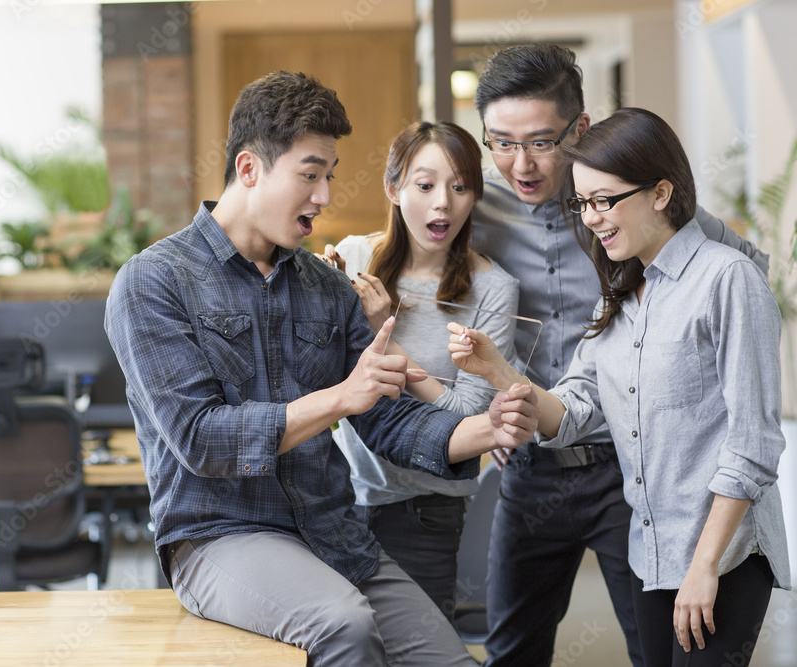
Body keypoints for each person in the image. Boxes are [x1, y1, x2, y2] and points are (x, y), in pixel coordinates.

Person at [104, 70, 539, 666]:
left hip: (333, 535)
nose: (325, 196)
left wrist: (490, 427)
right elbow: (201, 440)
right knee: (344, 626)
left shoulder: (325, 288)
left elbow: (391, 420)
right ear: (250, 168)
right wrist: (339, 398)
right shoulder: (153, 282)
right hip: (219, 538)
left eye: (329, 176)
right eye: (310, 174)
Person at [449, 106, 790, 667]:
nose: (591, 218)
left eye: (605, 201)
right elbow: (575, 410)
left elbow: (753, 444)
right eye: (583, 204)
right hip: (650, 554)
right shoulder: (620, 294)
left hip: (722, 557)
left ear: (661, 193)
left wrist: (704, 567)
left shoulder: (728, 280)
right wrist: (497, 372)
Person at [319, 120, 520, 620]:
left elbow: (467, 417)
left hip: (427, 509)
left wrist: (382, 335)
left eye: (459, 187)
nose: (443, 205)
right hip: (338, 497)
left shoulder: (492, 290)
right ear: (393, 188)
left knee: (418, 649)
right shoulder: (353, 258)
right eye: (425, 185)